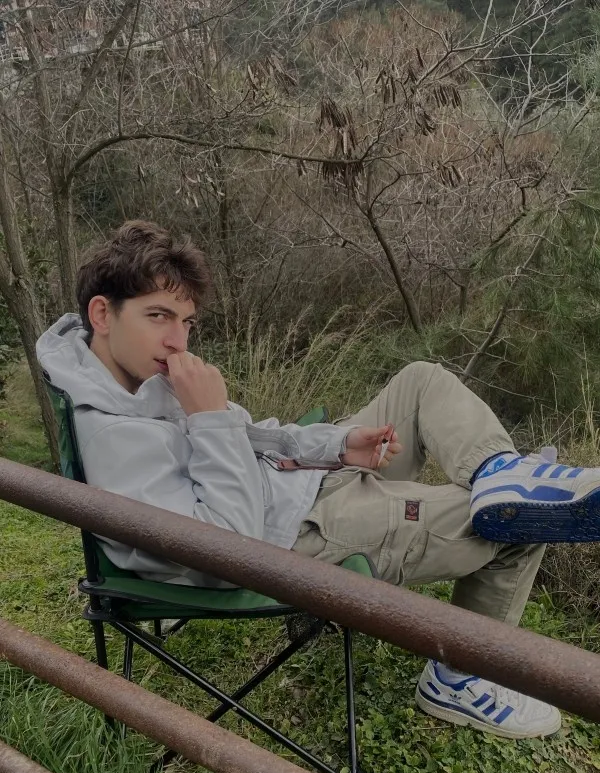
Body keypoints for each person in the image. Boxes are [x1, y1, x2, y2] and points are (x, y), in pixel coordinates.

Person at [36, 221, 600, 741]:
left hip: (294, 486)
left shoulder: (133, 378)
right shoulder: (113, 437)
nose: (178, 341)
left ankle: (498, 469)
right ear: (103, 314)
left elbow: (251, 435)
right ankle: (460, 679)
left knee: (422, 381)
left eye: (186, 322)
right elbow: (223, 550)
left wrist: (337, 445)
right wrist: (207, 417)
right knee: (520, 523)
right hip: (293, 535)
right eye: (158, 316)